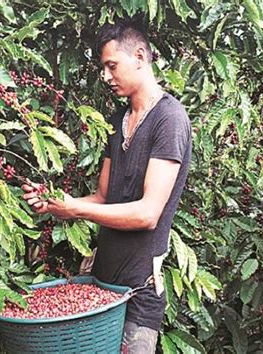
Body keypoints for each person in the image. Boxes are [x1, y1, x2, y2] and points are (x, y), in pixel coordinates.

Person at [22, 20, 191, 354]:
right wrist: (57, 203)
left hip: (139, 293)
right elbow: (102, 197)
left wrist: (75, 209)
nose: (106, 76)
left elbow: (147, 214)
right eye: (103, 68)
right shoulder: (116, 121)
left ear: (140, 56)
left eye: (112, 66)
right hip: (101, 284)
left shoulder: (169, 120)